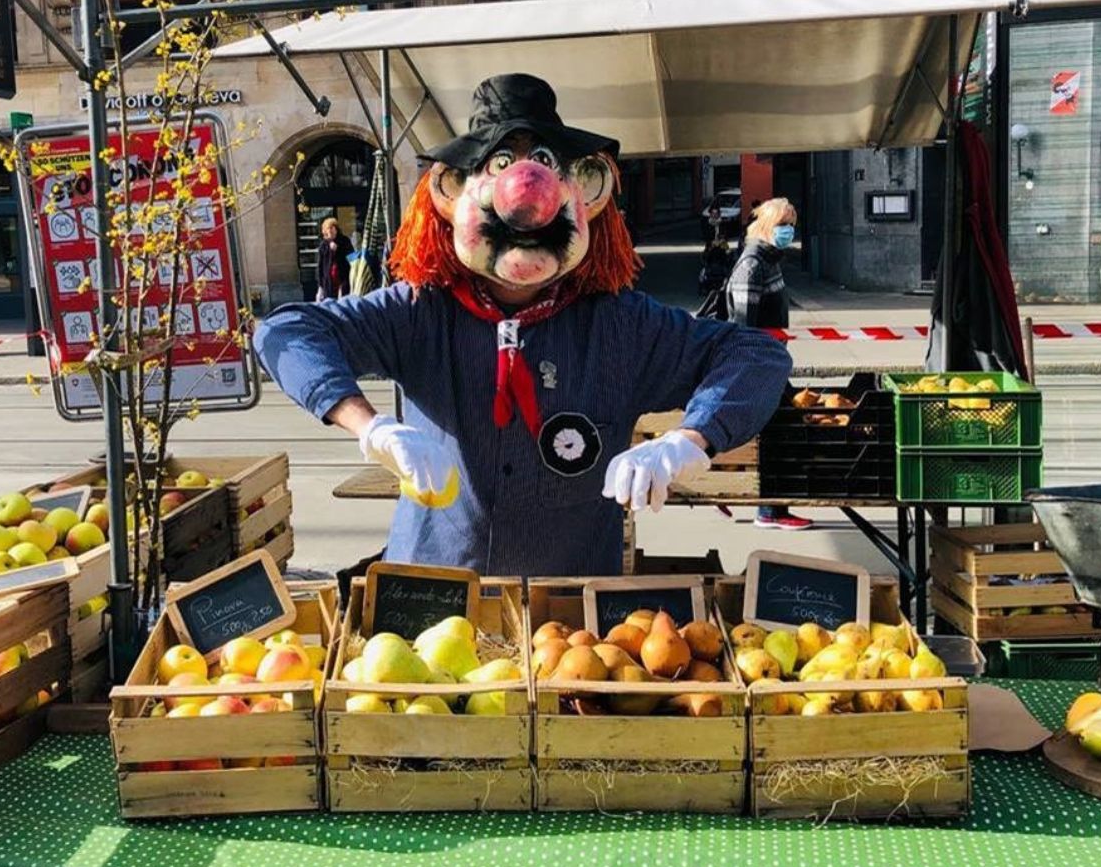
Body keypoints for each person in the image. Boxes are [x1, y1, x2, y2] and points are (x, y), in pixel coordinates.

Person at [255, 73, 791, 576]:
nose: (525, 198)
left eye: (545, 167)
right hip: (435, 597)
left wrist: (688, 441)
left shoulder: (620, 324)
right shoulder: (419, 311)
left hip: (565, 617)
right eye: (500, 165)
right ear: (451, 195)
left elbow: (756, 355)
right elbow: (284, 332)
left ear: (588, 194)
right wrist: (367, 425)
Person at [726, 198, 810, 531]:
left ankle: (775, 508)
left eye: (791, 223)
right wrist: (760, 370)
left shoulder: (770, 261)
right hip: (762, 365)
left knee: (782, 433)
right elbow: (745, 327)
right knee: (781, 434)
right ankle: (771, 511)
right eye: (782, 224)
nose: (788, 230)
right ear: (765, 226)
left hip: (773, 361)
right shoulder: (752, 265)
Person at [316, 217, 354, 301]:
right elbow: (320, 267)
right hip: (328, 282)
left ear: (336, 229)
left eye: (332, 228)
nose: (330, 231)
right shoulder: (323, 245)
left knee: (343, 301)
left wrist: (338, 250)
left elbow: (351, 258)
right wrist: (320, 287)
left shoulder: (344, 241)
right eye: (328, 229)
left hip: (343, 279)